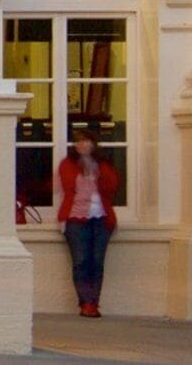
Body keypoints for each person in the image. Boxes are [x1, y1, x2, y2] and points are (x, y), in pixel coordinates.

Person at [52, 127, 121, 317]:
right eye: (79, 141)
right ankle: (86, 302)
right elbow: (65, 187)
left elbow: (112, 186)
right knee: (81, 261)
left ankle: (94, 301)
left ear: (93, 144)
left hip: (100, 217)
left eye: (86, 141)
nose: (82, 145)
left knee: (97, 262)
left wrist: (97, 169)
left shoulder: (103, 164)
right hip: (76, 216)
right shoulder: (68, 164)